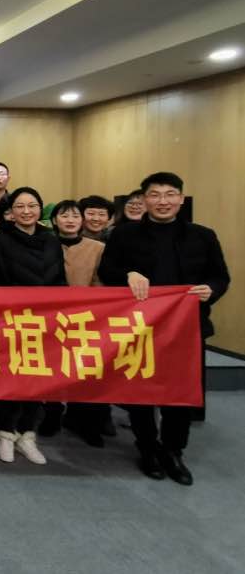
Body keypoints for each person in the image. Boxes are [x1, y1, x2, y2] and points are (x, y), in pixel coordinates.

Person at [99, 171, 230, 486]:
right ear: (144, 200)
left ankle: (173, 450)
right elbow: (107, 270)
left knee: (179, 393)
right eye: (155, 195)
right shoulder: (124, 235)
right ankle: (147, 447)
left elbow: (220, 276)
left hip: (187, 328)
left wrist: (211, 289)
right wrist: (128, 273)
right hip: (140, 327)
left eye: (170, 194)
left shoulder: (203, 236)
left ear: (181, 199)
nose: (162, 201)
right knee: (140, 390)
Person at [0, 186, 66, 465]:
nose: (26, 211)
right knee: (10, 377)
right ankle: (5, 433)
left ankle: (28, 434)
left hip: (44, 321)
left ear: (40, 209)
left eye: (32, 206)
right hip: (10, 321)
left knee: (37, 379)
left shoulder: (51, 241)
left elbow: (60, 281)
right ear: (10, 212)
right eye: (20, 206)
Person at [38, 199, 107, 446]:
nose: (70, 220)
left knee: (85, 370)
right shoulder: (43, 244)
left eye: (75, 216)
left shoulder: (97, 248)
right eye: (64, 216)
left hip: (86, 317)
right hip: (50, 317)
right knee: (52, 367)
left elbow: (100, 281)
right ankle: (52, 414)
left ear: (82, 220)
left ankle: (84, 420)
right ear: (54, 220)